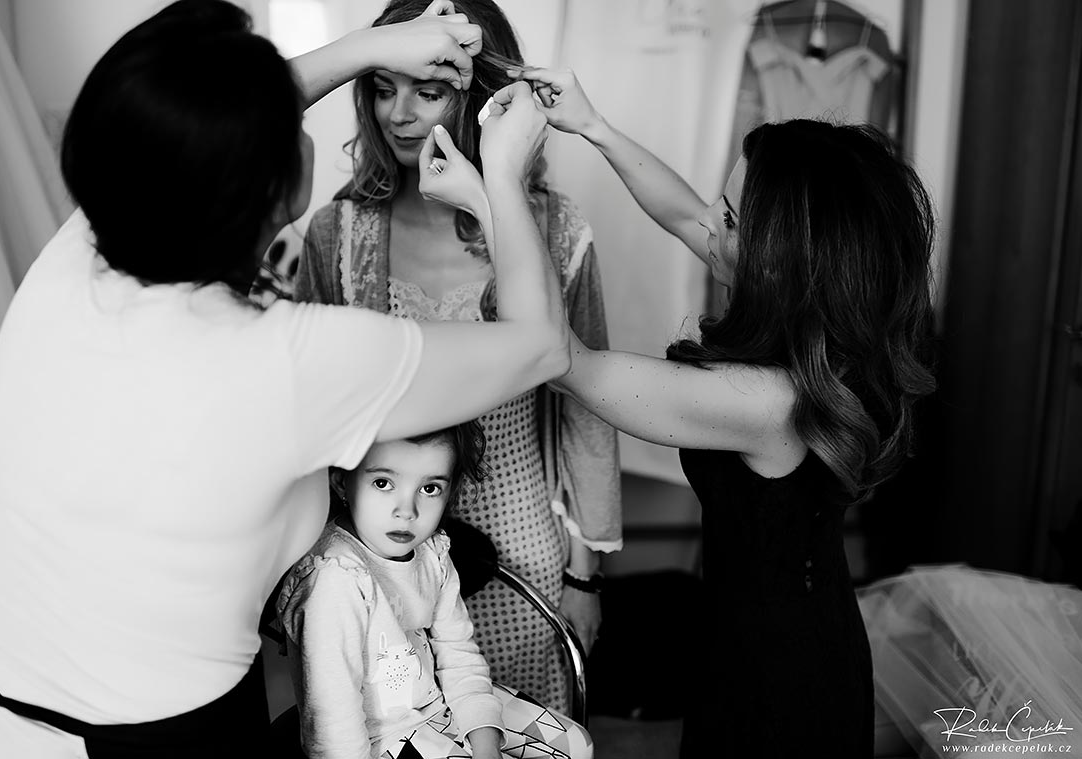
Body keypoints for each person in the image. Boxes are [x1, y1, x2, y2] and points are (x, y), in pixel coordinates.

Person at [0, 1, 570, 756]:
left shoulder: (76, 259)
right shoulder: (290, 360)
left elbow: (189, 123)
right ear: (280, 187)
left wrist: (382, 44)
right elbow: (541, 347)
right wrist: (501, 172)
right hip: (161, 741)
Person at [514, 67, 937, 756]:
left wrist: (496, 184)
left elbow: (559, 360)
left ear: (779, 259)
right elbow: (687, 214)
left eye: (733, 219)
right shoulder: (827, 343)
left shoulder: (765, 401)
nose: (711, 223)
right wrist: (593, 125)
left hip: (781, 678)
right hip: (764, 628)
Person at [276, 0, 621, 714]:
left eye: (426, 91)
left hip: (521, 548)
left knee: (513, 727)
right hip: (379, 563)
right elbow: (306, 424)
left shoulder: (557, 233)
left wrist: (584, 577)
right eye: (380, 86)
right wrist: (301, 574)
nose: (398, 114)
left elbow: (587, 415)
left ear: (482, 99)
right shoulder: (337, 234)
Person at [275, 421, 594, 759]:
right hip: (380, 735)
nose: (407, 511)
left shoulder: (433, 553)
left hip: (440, 700)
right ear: (341, 481)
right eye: (383, 483)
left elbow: (459, 655)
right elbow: (332, 720)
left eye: (429, 488)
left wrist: (486, 743)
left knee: (577, 745)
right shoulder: (335, 577)